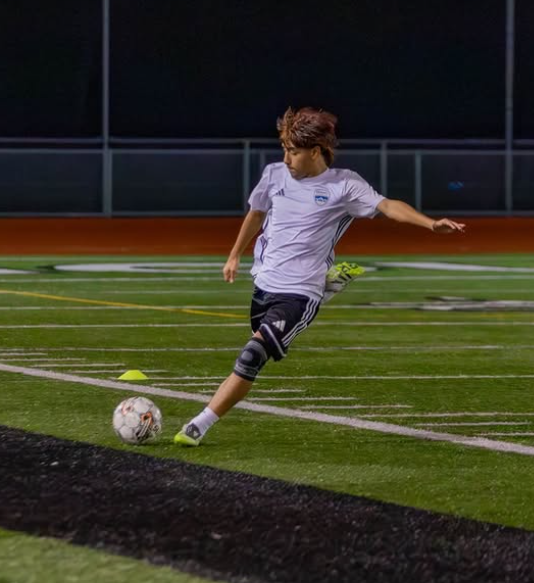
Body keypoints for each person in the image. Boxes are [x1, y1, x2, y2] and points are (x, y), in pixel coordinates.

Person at [174, 106, 465, 446]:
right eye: (284, 149)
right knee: (257, 337)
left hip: (299, 293)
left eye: (294, 152)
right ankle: (329, 285)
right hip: (264, 284)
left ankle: (199, 425)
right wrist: (234, 253)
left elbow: (388, 206)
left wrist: (430, 223)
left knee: (252, 356)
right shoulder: (273, 175)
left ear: (315, 151)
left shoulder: (343, 185)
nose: (286, 158)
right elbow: (256, 213)